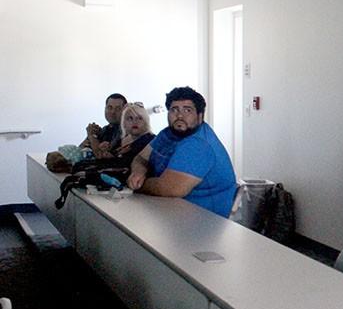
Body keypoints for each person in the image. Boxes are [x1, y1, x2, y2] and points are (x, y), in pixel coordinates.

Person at [127, 87, 237, 218]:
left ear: (200, 116)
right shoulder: (168, 134)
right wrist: (138, 172)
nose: (179, 115)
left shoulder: (198, 144)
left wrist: (139, 185)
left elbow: (169, 189)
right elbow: (141, 158)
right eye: (174, 110)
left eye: (187, 110)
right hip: (169, 212)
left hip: (203, 224)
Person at [81, 93, 127, 157]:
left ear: (125, 111)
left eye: (118, 109)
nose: (113, 112)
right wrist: (92, 135)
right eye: (110, 107)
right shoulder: (105, 129)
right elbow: (79, 151)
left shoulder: (125, 130)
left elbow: (101, 156)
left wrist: (92, 136)